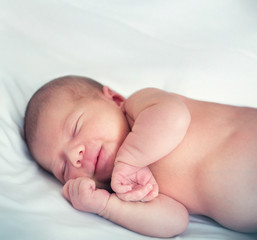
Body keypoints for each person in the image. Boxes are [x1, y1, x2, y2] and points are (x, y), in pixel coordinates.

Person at [24, 75, 257, 238]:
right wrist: (106, 206)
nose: (75, 156)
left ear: (114, 99)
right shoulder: (126, 188)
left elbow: (174, 118)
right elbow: (175, 222)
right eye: (63, 168)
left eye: (76, 127)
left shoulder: (140, 106)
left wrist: (129, 161)